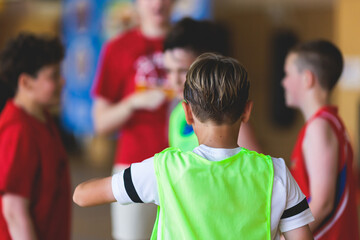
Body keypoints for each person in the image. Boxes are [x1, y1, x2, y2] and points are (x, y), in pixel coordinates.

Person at [74, 53, 314, 240]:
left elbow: (82, 195)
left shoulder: (163, 170)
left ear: (187, 112)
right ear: (247, 111)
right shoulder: (276, 174)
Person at [92, 0, 174, 239]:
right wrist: (132, 103)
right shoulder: (118, 47)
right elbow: (100, 123)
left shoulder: (194, 44)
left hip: (186, 165)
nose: (158, 3)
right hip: (133, 166)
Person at [282, 39, 359, 239]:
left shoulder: (319, 127)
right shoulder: (331, 122)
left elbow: (322, 203)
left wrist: (285, 237)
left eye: (288, 74)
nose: (283, 82)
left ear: (307, 79)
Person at [0, 33, 71, 240]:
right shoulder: (18, 130)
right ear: (26, 82)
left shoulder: (43, 119)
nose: (62, 82)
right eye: (53, 76)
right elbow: (14, 211)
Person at [164, 17, 261, 152]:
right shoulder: (176, 113)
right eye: (169, 70)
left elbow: (256, 170)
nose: (175, 81)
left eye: (183, 71)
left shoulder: (228, 116)